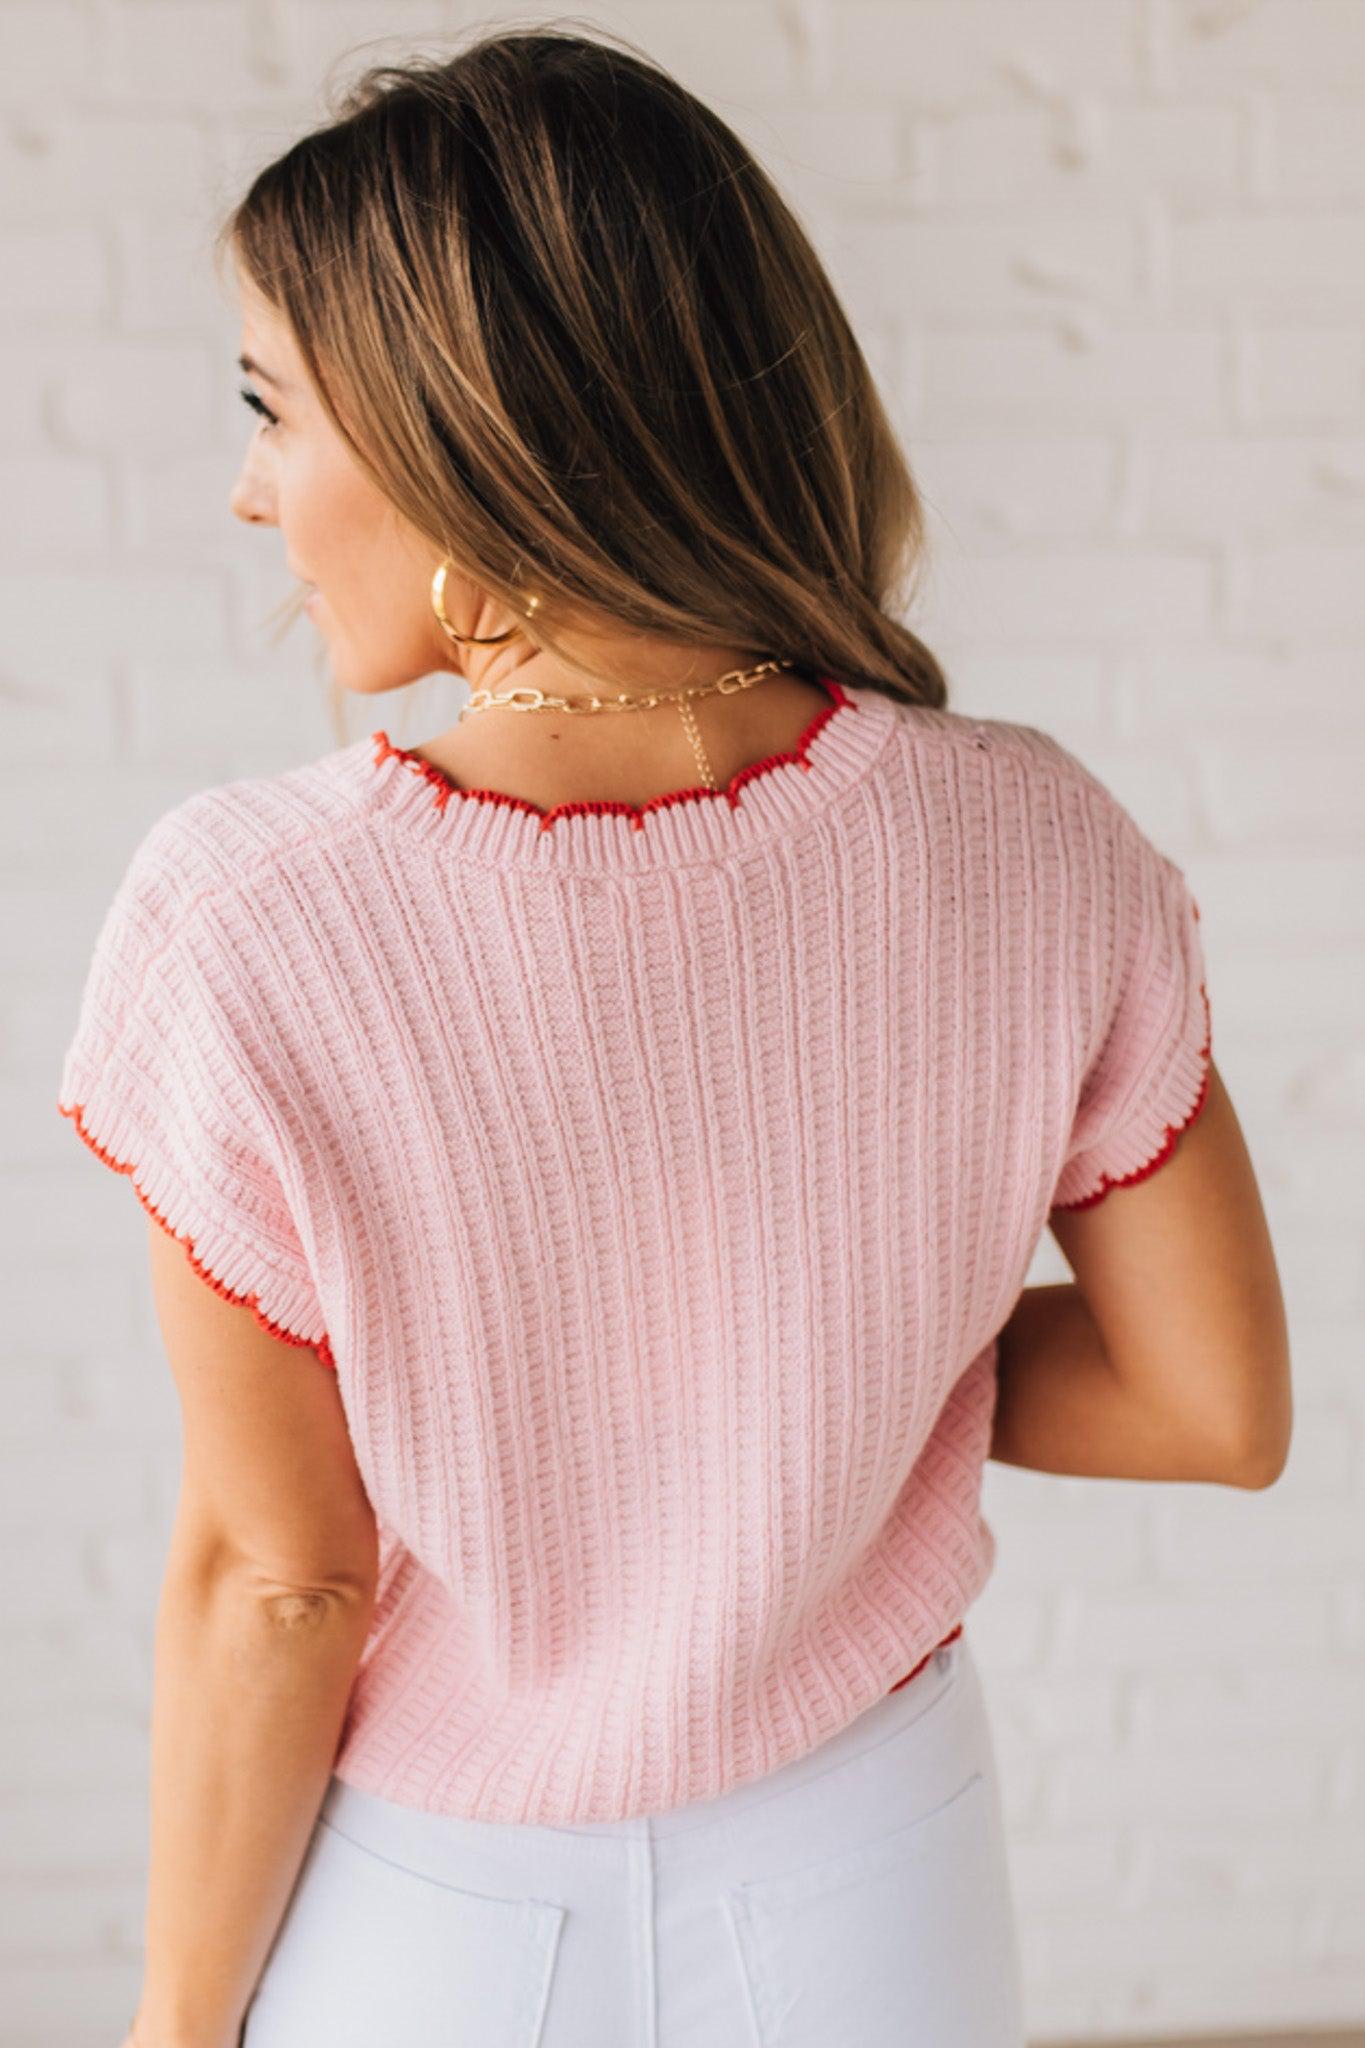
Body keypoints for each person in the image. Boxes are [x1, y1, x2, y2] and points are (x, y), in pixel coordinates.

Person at [56, 24, 1292, 2048]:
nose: (246, 485)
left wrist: (173, 2028)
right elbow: (1206, 1405)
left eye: (273, 409)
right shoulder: (1031, 832)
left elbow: (283, 1581)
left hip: (440, 1915)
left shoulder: (249, 917)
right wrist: (793, 1360)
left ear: (466, 438)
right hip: (877, 1862)